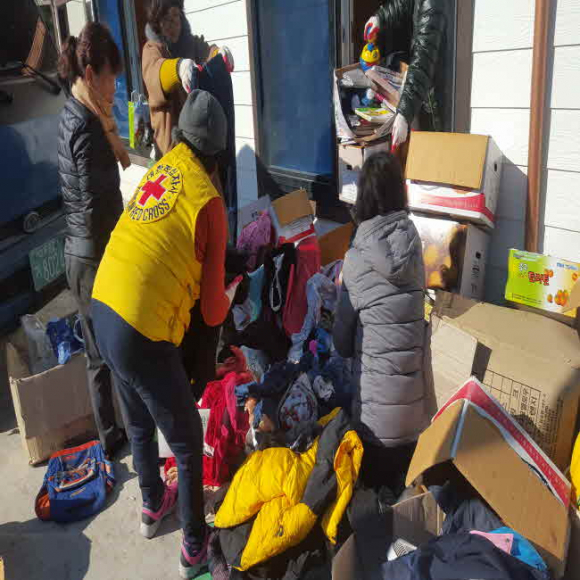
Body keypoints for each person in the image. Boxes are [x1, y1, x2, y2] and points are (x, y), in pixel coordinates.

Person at [91, 90, 241, 578]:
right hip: (139, 327)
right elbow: (212, 309)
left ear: (181, 136)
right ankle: (194, 547)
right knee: (187, 439)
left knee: (138, 420)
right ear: (217, 155)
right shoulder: (209, 201)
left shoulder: (162, 166)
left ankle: (153, 505)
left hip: (102, 304)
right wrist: (233, 292)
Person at [332, 152, 431, 494]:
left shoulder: (356, 258)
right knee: (405, 502)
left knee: (372, 504)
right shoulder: (414, 245)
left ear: (364, 196)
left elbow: (342, 343)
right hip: (415, 415)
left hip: (375, 424)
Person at [57, 22, 129, 458]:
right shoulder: (88, 125)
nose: (114, 85)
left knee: (98, 355)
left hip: (79, 251)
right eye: (110, 76)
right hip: (94, 255)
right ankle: (129, 432)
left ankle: (110, 435)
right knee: (115, 350)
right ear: (90, 73)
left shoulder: (74, 110)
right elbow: (95, 202)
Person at [143, 0, 234, 157]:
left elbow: (208, 52)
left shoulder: (191, 44)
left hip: (197, 141)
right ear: (157, 23)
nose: (172, 24)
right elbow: (154, 72)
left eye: (175, 16)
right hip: (170, 147)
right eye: (166, 19)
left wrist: (219, 54)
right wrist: (177, 68)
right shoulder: (152, 49)